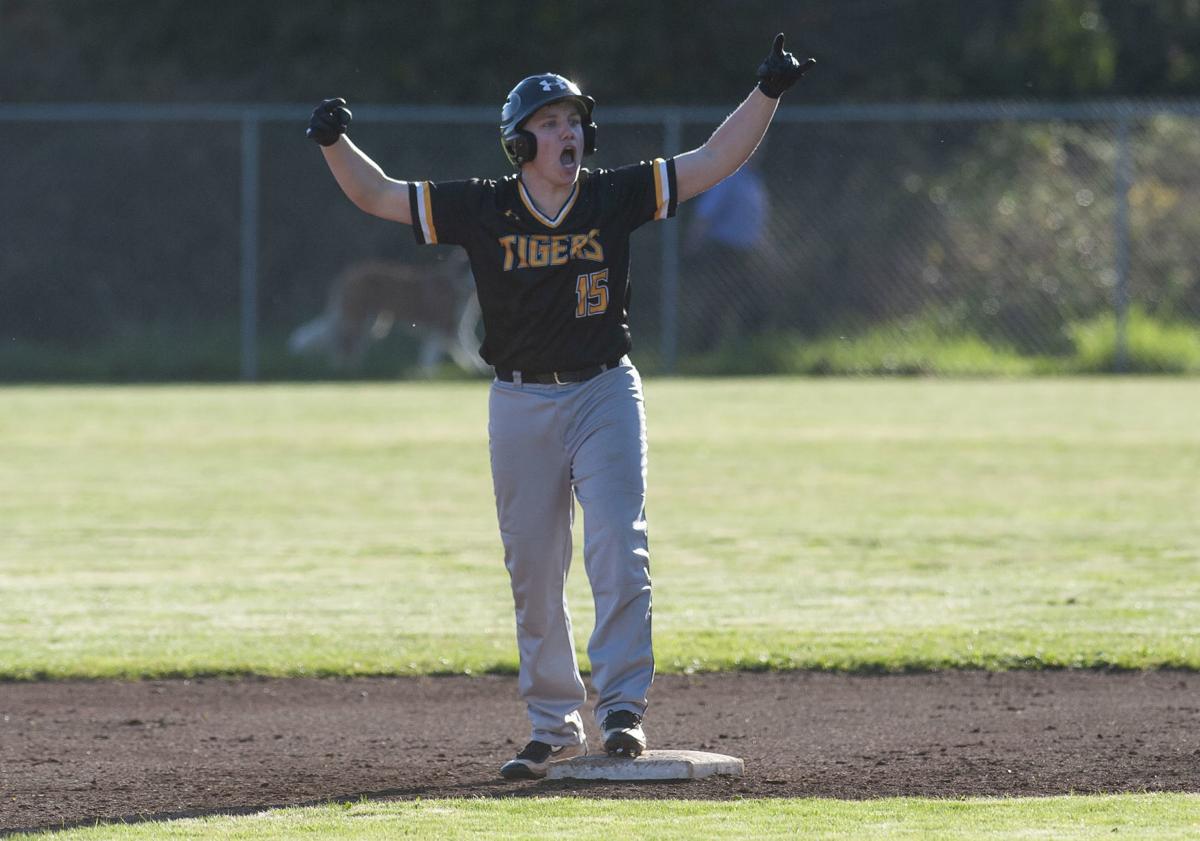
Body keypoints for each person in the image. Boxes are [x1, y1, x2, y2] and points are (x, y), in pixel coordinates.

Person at [307, 33, 814, 780]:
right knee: (534, 566)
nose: (566, 131)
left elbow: (712, 159)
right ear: (519, 142)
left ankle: (621, 710)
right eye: (549, 122)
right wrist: (333, 143)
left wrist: (766, 92)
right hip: (519, 399)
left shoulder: (611, 195)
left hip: (604, 387)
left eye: (573, 118)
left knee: (618, 542)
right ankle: (552, 724)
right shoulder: (483, 208)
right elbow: (378, 194)